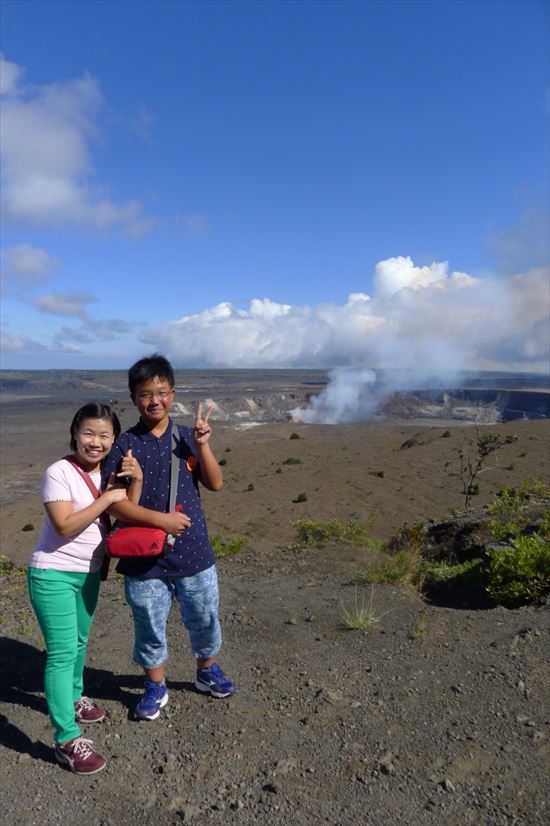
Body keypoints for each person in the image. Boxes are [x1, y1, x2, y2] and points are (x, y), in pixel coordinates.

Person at [102, 353, 236, 722]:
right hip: (143, 559)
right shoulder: (123, 445)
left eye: (161, 392)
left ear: (172, 394)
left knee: (205, 616)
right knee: (148, 623)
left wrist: (204, 444)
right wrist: (162, 521)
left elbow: (216, 483)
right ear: (133, 398)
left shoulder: (184, 438)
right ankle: (155, 684)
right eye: (146, 394)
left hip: (193, 553)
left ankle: (207, 670)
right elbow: (113, 505)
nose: (154, 400)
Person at [28, 402, 143, 775]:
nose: (96, 442)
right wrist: (107, 498)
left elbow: (125, 516)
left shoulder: (107, 472)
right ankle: (65, 739)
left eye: (105, 435)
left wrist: (133, 482)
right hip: (54, 575)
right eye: (89, 433)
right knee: (61, 654)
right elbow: (63, 525)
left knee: (79, 642)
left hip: (88, 573)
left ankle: (75, 697)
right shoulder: (59, 472)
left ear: (114, 439)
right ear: (75, 432)